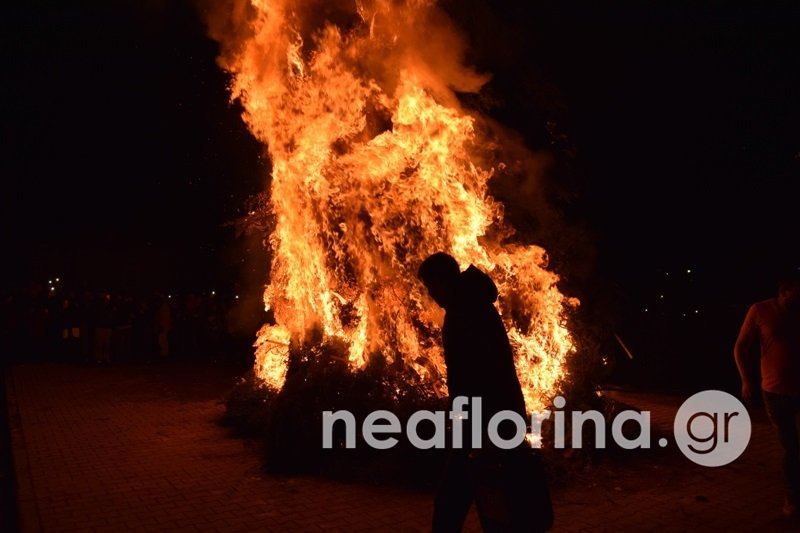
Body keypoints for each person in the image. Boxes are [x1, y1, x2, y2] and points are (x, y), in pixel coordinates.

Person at [418, 252, 550, 532]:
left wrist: (483, 429)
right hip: (489, 421)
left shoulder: (465, 312)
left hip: (485, 424)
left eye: (431, 286)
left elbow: (483, 375)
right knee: (493, 502)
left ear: (444, 280)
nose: (431, 294)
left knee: (460, 501)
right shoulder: (472, 305)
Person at [734, 269, 800, 517]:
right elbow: (741, 346)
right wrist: (746, 379)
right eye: (797, 295)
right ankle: (792, 497)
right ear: (785, 292)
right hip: (775, 392)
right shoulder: (760, 310)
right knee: (792, 448)